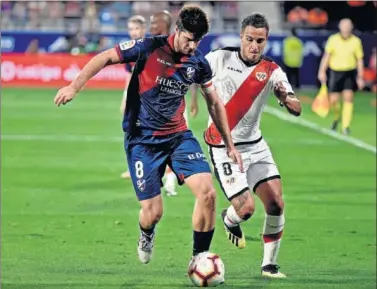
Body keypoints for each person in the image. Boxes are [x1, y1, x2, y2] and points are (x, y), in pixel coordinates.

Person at [54, 5, 242, 266]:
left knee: (208, 194)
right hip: (142, 141)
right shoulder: (149, 46)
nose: (192, 46)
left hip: (178, 137)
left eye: (198, 41)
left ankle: (199, 259)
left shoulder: (198, 63)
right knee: (153, 213)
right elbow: (106, 56)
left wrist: (230, 144)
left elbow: (215, 103)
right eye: (189, 39)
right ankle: (146, 234)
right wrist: (75, 86)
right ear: (178, 30)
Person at [204, 13, 301, 278]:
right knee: (246, 209)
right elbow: (191, 75)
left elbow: (291, 99)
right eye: (250, 39)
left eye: (260, 40)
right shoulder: (219, 58)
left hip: (256, 146)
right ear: (241, 37)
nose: (254, 45)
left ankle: (269, 265)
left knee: (277, 204)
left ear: (267, 40)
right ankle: (229, 218)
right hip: (223, 146)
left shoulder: (271, 71)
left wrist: (287, 99)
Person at [318, 18, 364, 135]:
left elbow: (359, 60)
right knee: (334, 100)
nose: (346, 29)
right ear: (340, 27)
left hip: (349, 72)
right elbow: (327, 56)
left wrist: (360, 76)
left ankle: (345, 126)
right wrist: (322, 71)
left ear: (351, 28)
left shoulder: (356, 41)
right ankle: (336, 118)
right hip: (335, 71)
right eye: (344, 26)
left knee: (348, 97)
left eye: (348, 26)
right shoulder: (333, 40)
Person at [120, 15, 147, 179]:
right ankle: (135, 167)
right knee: (132, 133)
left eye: (136, 28)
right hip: (136, 99)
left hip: (150, 98)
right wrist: (125, 97)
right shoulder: (128, 50)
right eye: (131, 29)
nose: (134, 33)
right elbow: (129, 76)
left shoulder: (152, 47)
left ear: (144, 29)